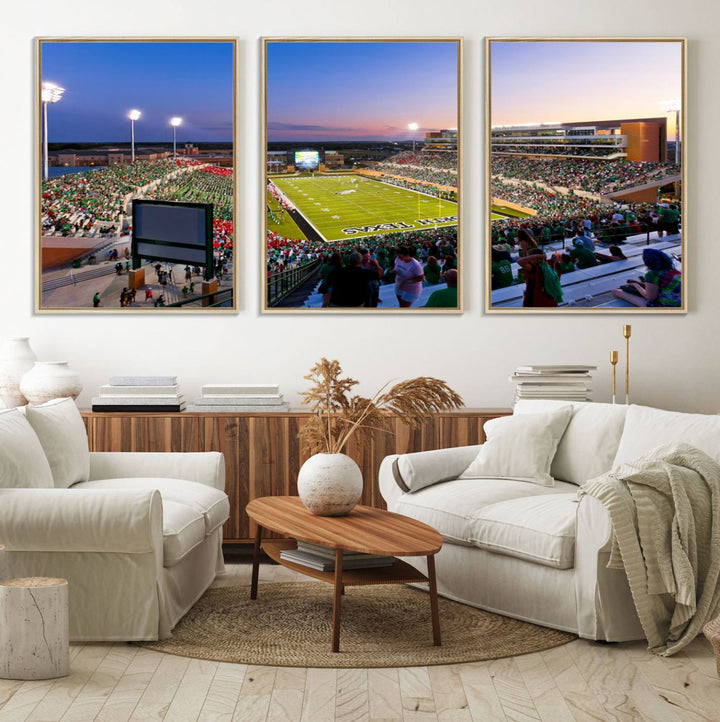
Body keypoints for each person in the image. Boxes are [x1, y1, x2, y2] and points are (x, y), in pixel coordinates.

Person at [611, 248, 681, 307]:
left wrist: (636, 285)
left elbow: (650, 297)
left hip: (665, 306)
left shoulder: (652, 274)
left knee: (616, 291)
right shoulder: (674, 272)